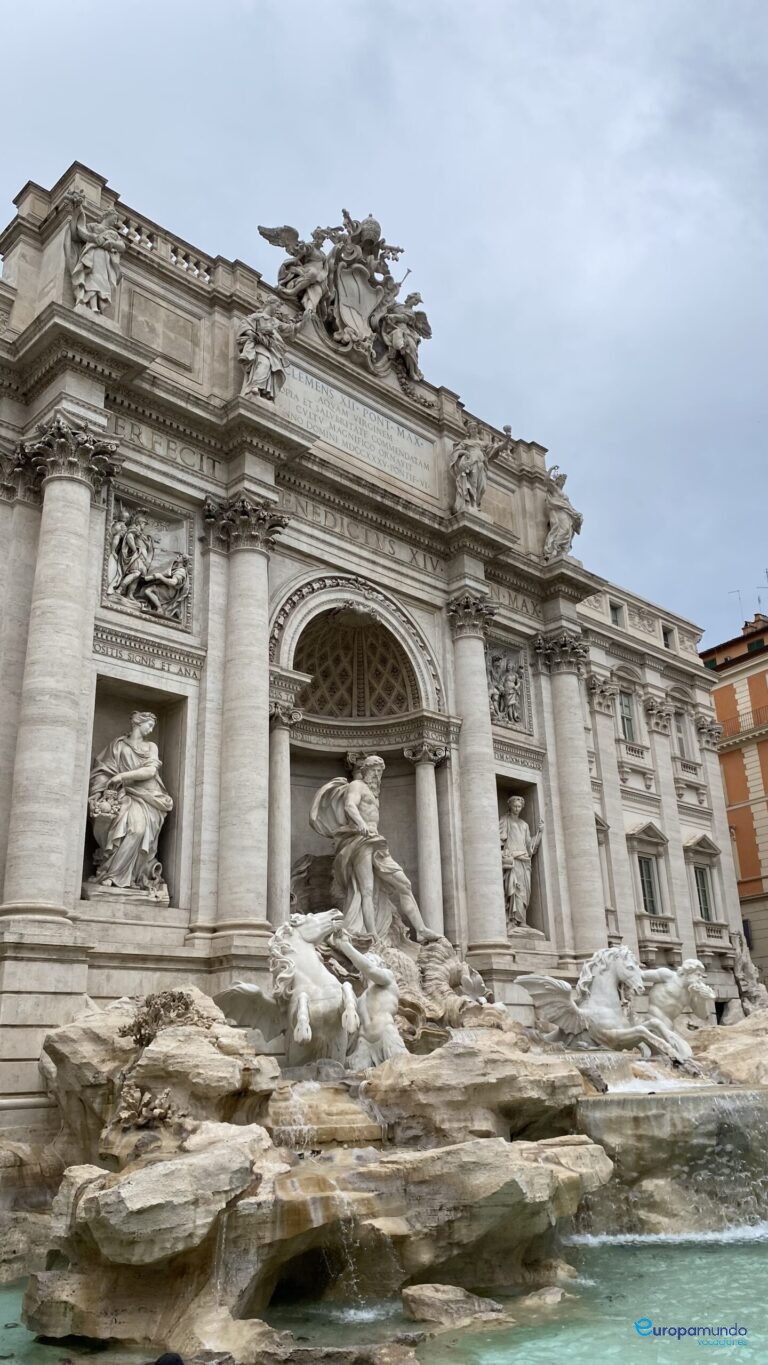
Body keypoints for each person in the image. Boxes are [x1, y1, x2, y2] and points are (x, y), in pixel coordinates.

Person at [310, 755, 439, 943]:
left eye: (380, 771)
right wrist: (361, 824)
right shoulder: (357, 786)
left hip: (376, 841)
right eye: (374, 770)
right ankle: (372, 935)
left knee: (404, 884)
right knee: (366, 890)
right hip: (360, 840)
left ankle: (420, 929)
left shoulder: (374, 792)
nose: (377, 775)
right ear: (365, 770)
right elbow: (349, 805)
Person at [88, 711, 173, 894]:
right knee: (124, 829)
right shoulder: (117, 746)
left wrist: (122, 776)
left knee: (138, 830)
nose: (150, 730)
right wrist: (100, 789)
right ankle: (112, 874)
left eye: (153, 727)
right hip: (123, 795)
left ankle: (127, 875)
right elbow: (103, 769)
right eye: (148, 725)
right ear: (137, 722)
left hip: (149, 797)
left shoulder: (151, 746)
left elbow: (150, 771)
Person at [499, 795, 543, 928]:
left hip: (524, 862)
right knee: (515, 890)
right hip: (514, 860)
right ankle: (513, 920)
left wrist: (540, 833)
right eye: (515, 806)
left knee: (524, 891)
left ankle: (522, 919)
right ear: (510, 806)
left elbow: (530, 847)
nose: (517, 809)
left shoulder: (524, 825)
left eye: (519, 807)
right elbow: (499, 840)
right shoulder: (505, 820)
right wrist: (508, 854)